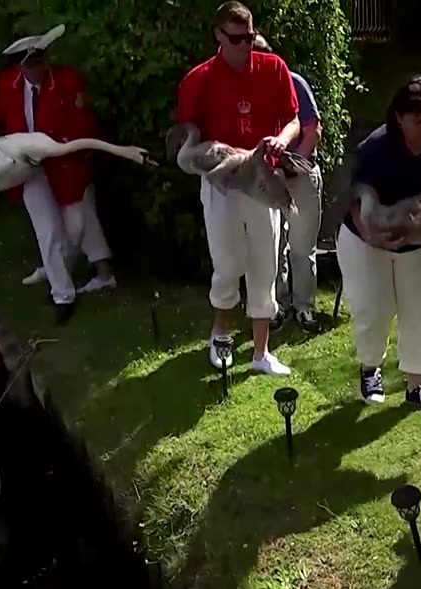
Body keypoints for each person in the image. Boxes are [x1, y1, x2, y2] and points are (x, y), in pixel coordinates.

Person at [176, 2, 300, 376]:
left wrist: (281, 139)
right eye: (237, 39)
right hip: (223, 182)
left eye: (249, 37)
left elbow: (294, 119)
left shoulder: (273, 67)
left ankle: (261, 353)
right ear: (219, 36)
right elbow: (189, 137)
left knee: (264, 267)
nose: (246, 45)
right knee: (228, 266)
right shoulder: (197, 79)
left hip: (263, 179)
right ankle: (221, 336)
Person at [339, 76, 421, 412]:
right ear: (399, 117)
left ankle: (417, 385)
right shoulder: (375, 149)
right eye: (418, 120)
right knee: (374, 309)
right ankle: (371, 371)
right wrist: (372, 235)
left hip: (420, 242)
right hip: (366, 240)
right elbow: (354, 203)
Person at [0, 25, 117, 325]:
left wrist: (66, 143)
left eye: (40, 60)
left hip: (64, 163)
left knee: (76, 228)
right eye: (30, 63)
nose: (37, 67)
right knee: (47, 230)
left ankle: (60, 268)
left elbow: (85, 119)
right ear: (19, 66)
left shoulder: (67, 80)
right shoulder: (8, 83)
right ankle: (62, 294)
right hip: (28, 168)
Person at [252, 34, 323, 335]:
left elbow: (313, 130)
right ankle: (277, 306)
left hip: (301, 173)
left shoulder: (294, 82)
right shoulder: (244, 93)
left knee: (302, 246)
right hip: (268, 178)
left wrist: (294, 165)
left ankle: (304, 307)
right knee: (272, 246)